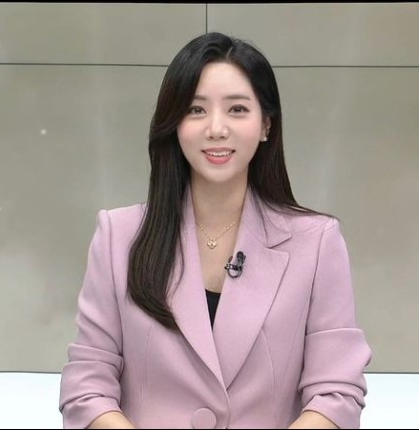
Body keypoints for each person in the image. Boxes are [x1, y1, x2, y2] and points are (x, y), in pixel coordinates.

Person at [59, 32, 372, 429]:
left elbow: (337, 392)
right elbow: (87, 387)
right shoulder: (118, 236)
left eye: (238, 109)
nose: (217, 129)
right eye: (196, 110)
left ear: (266, 125)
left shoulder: (317, 241)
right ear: (174, 124)